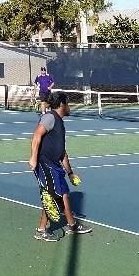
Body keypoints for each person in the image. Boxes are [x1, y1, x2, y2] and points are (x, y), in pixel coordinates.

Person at [29, 90, 92, 241]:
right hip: (46, 164)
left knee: (62, 194)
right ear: (62, 104)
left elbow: (62, 151)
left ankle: (72, 225)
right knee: (52, 196)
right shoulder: (50, 117)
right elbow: (37, 135)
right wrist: (33, 158)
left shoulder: (59, 122)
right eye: (68, 104)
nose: (69, 107)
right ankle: (42, 230)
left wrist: (70, 173)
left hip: (56, 165)